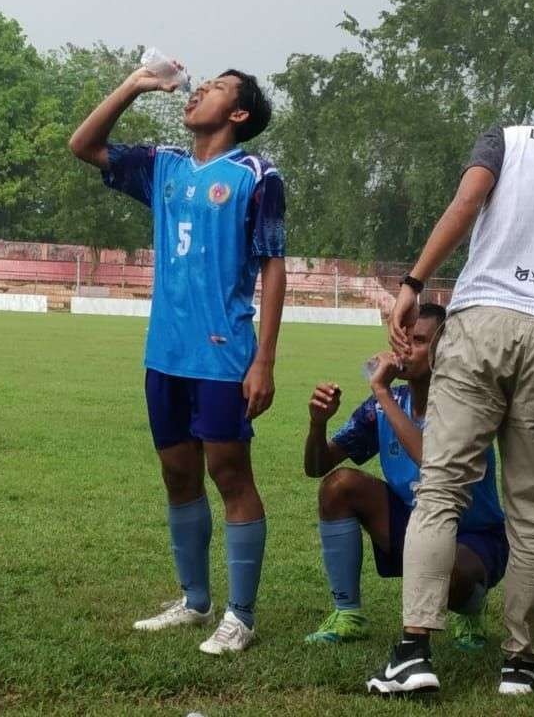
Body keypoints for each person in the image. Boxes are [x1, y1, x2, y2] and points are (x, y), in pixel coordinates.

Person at [366, 68, 534, 697]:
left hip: (481, 317)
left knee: (441, 491)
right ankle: (521, 663)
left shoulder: (507, 138)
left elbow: (466, 206)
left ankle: (413, 652)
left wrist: (412, 285)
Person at [69, 59, 285, 654]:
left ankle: (240, 614)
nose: (197, 93)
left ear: (238, 114)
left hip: (223, 356)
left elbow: (273, 265)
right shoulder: (160, 165)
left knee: (230, 474)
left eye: (215, 89)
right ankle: (194, 600)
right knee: (177, 474)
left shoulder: (256, 174)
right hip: (164, 354)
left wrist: (263, 360)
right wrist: (137, 85)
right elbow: (83, 144)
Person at [302, 303, 507, 650]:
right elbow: (317, 467)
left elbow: (433, 462)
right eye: (404, 340)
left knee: (450, 573)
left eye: (420, 340)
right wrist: (317, 423)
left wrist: (381, 391)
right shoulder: (385, 406)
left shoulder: (466, 404)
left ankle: (471, 609)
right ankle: (348, 613)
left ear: (446, 349)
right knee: (339, 486)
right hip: (415, 525)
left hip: (474, 536)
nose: (406, 349)